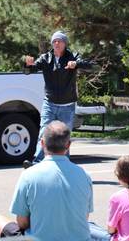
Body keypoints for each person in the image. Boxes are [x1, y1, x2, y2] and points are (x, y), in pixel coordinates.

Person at [0, 121, 94, 240]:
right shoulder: (84, 176)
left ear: (42, 143)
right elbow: (84, 218)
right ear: (68, 145)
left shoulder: (28, 176)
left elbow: (22, 223)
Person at [23, 31, 93, 167]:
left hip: (67, 105)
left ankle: (64, 165)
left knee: (64, 136)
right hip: (49, 103)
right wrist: (27, 65)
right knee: (43, 132)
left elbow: (92, 66)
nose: (56, 43)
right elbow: (27, 72)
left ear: (65, 43)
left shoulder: (73, 56)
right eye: (54, 41)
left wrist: (76, 64)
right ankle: (36, 163)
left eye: (59, 41)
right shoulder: (45, 58)